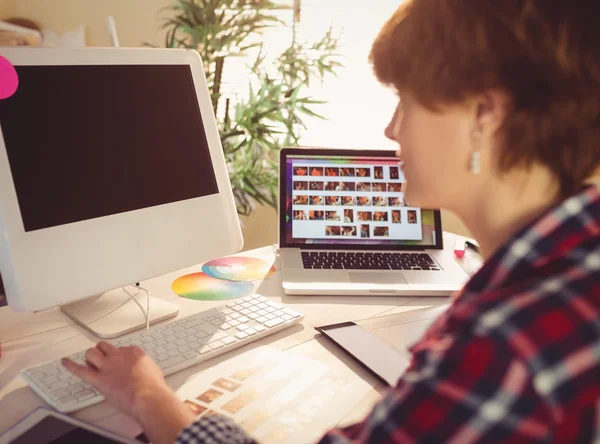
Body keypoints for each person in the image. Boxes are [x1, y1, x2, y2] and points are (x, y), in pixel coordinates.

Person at [63, 1, 600, 442]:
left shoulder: (504, 346)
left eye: (406, 102)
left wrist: (149, 399)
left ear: (486, 113)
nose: (391, 130)